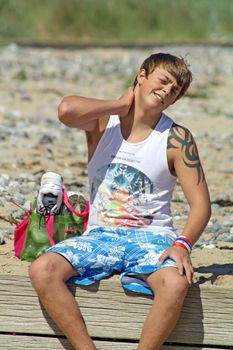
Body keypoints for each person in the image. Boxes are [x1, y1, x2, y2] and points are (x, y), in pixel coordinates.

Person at [29, 53, 211, 350]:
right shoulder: (102, 122)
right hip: (100, 235)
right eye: (163, 81)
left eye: (174, 90)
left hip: (151, 237)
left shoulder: (177, 138)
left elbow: (201, 205)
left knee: (176, 283)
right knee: (42, 270)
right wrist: (119, 105)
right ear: (141, 76)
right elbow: (66, 110)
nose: (167, 90)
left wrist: (183, 245)